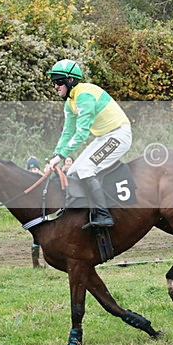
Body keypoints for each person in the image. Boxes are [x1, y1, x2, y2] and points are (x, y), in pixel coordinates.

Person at [43, 59, 132, 228]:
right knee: (74, 171)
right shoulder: (70, 102)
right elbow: (67, 132)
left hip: (119, 135)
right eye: (53, 82)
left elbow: (82, 132)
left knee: (85, 168)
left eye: (58, 82)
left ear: (70, 80)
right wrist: (56, 155)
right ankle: (86, 212)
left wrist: (62, 155)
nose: (55, 86)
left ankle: (104, 215)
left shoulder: (84, 95)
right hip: (103, 137)